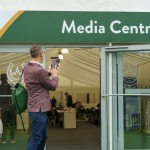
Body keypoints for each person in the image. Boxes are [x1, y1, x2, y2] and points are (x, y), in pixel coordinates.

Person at [24, 45, 59, 150]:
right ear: (40, 54)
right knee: (36, 138)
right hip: (38, 110)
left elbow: (38, 80)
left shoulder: (27, 67)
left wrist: (48, 73)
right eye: (43, 53)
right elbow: (53, 86)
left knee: (43, 137)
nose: (43, 54)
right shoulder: (39, 70)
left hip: (34, 108)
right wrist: (55, 75)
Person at [0, 74, 16, 144]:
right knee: (12, 123)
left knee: (4, 123)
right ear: (6, 78)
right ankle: (12, 139)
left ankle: (3, 139)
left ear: (0, 79)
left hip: (3, 107)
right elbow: (15, 89)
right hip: (11, 106)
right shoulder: (10, 86)